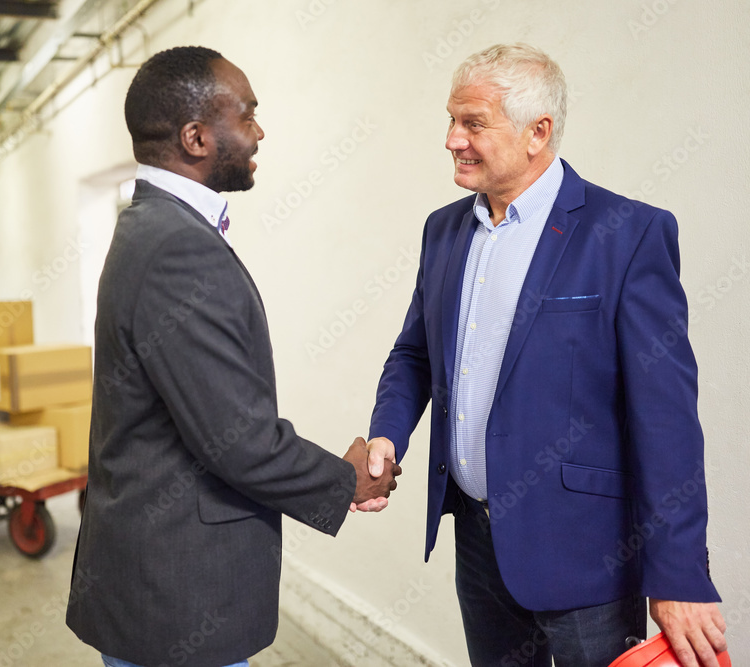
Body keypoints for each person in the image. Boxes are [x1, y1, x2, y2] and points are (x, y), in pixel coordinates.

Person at [362, 44, 727, 666]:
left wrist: (678, 574)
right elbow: (415, 353)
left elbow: (666, 421)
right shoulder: (443, 230)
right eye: (451, 120)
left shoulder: (629, 235)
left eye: (473, 123)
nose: (452, 139)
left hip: (589, 557)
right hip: (477, 542)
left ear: (539, 133)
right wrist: (386, 433)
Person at [64, 46, 399, 667]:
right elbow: (235, 439)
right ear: (196, 137)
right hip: (177, 595)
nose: (259, 131)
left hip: (154, 584)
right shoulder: (176, 249)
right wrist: (344, 479)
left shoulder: (149, 226)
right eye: (246, 115)